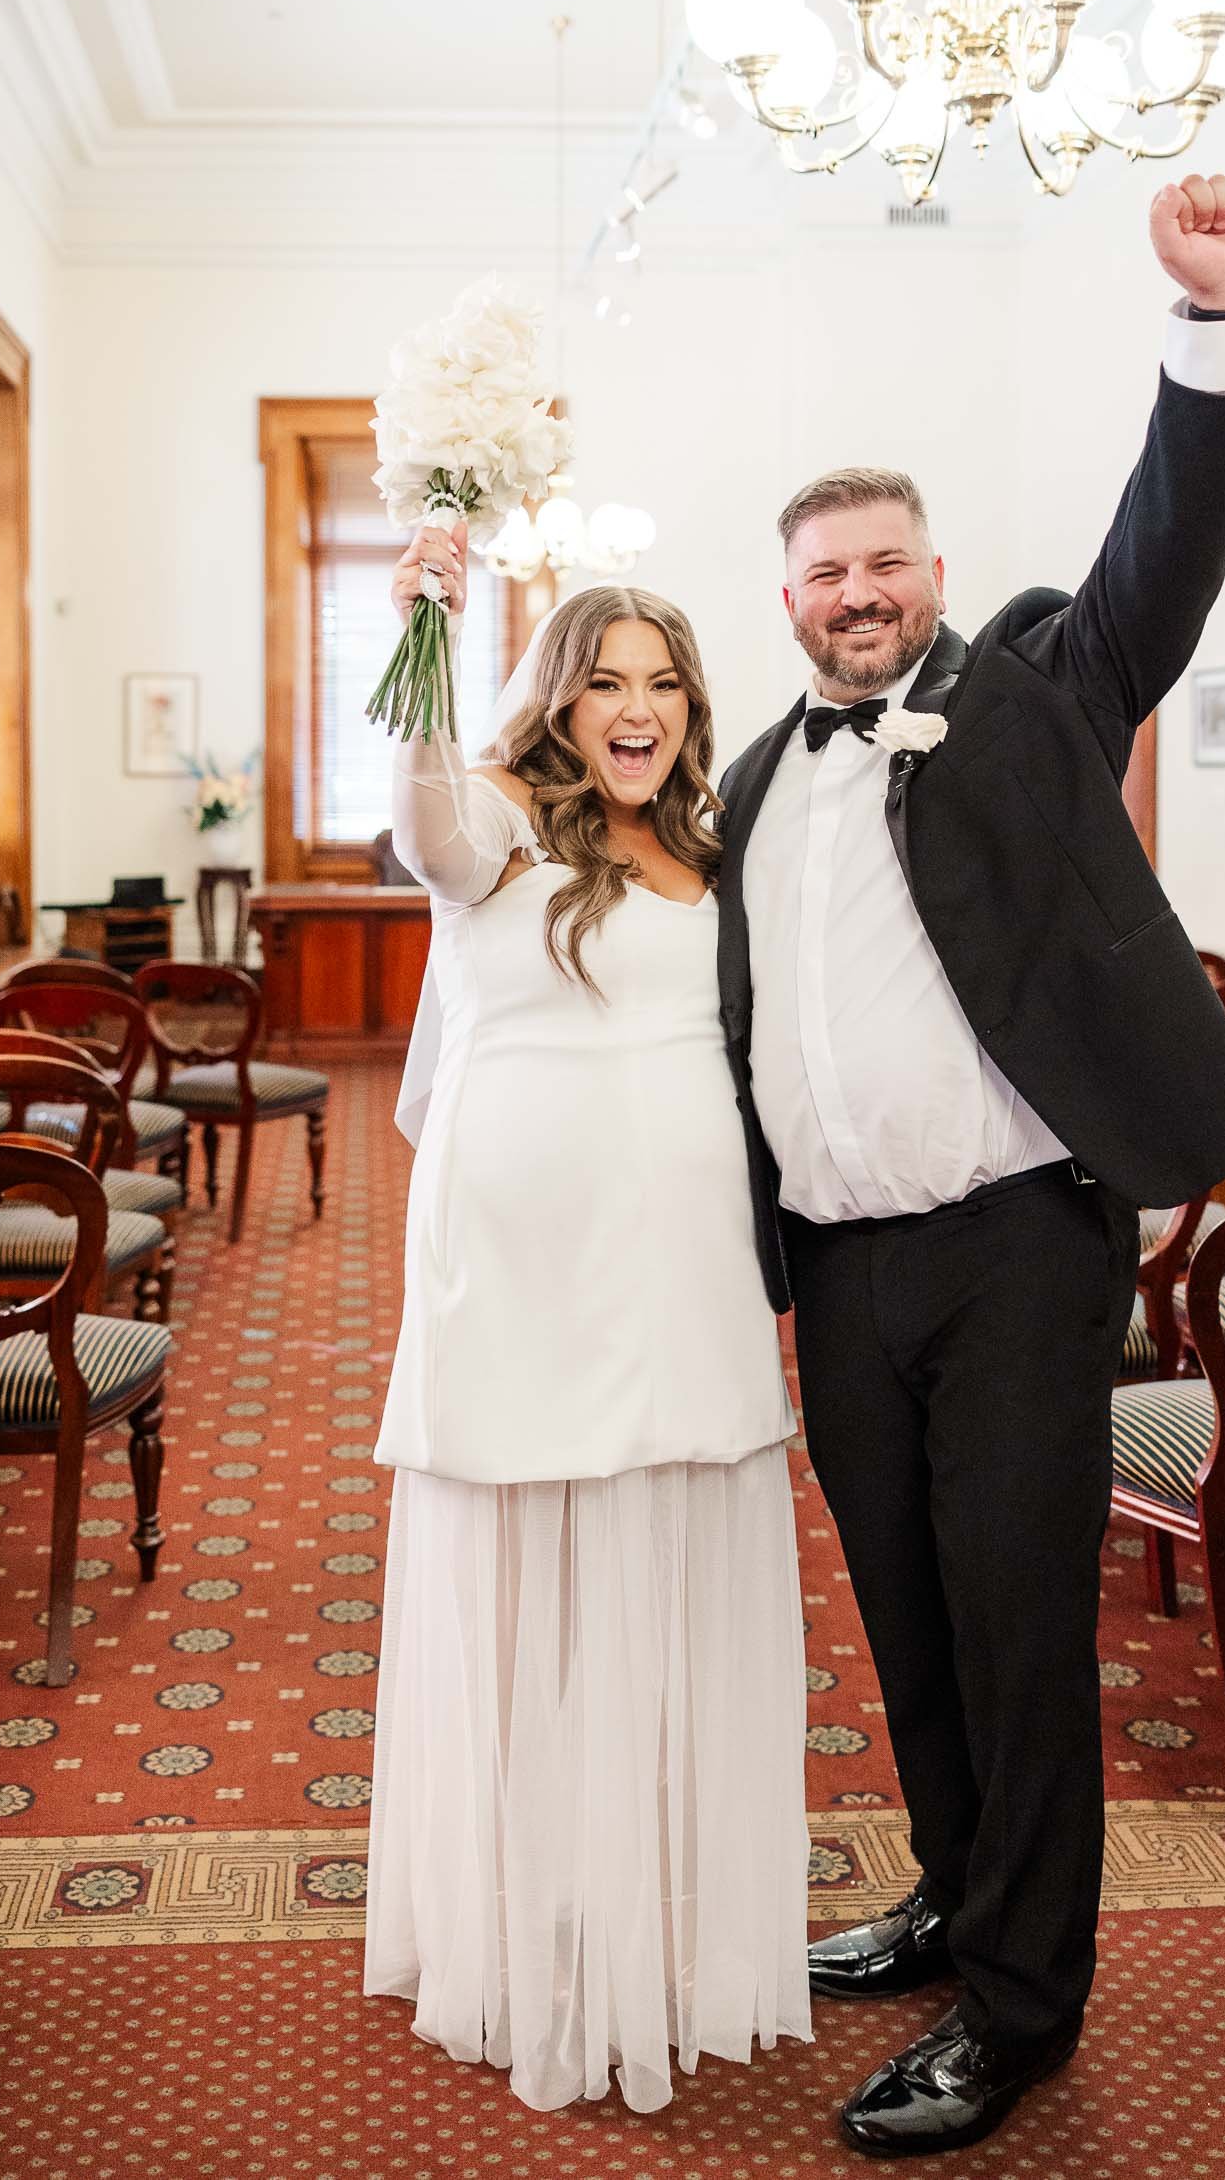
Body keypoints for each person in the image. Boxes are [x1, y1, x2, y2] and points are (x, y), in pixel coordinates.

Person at [716, 172, 1225, 2156]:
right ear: (781, 597)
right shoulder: (742, 789)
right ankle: (958, 1892)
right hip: (845, 1266)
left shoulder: (1037, 687)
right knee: (906, 1606)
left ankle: (1024, 2009)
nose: (857, 592)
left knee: (1019, 1618)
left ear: (935, 572)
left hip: (1019, 1248)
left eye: (885, 562)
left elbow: (1162, 557)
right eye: (824, 572)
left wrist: (1214, 331)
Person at [363, 565, 811, 2115]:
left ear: (690, 708)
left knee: (667, 1535)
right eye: (606, 681)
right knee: (540, 1546)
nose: (636, 709)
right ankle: (532, 1914)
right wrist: (419, 621)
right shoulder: (493, 818)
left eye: (663, 684)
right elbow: (421, 821)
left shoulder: (710, 841)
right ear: (559, 697)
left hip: (685, 1260)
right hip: (526, 1252)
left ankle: (665, 1916)